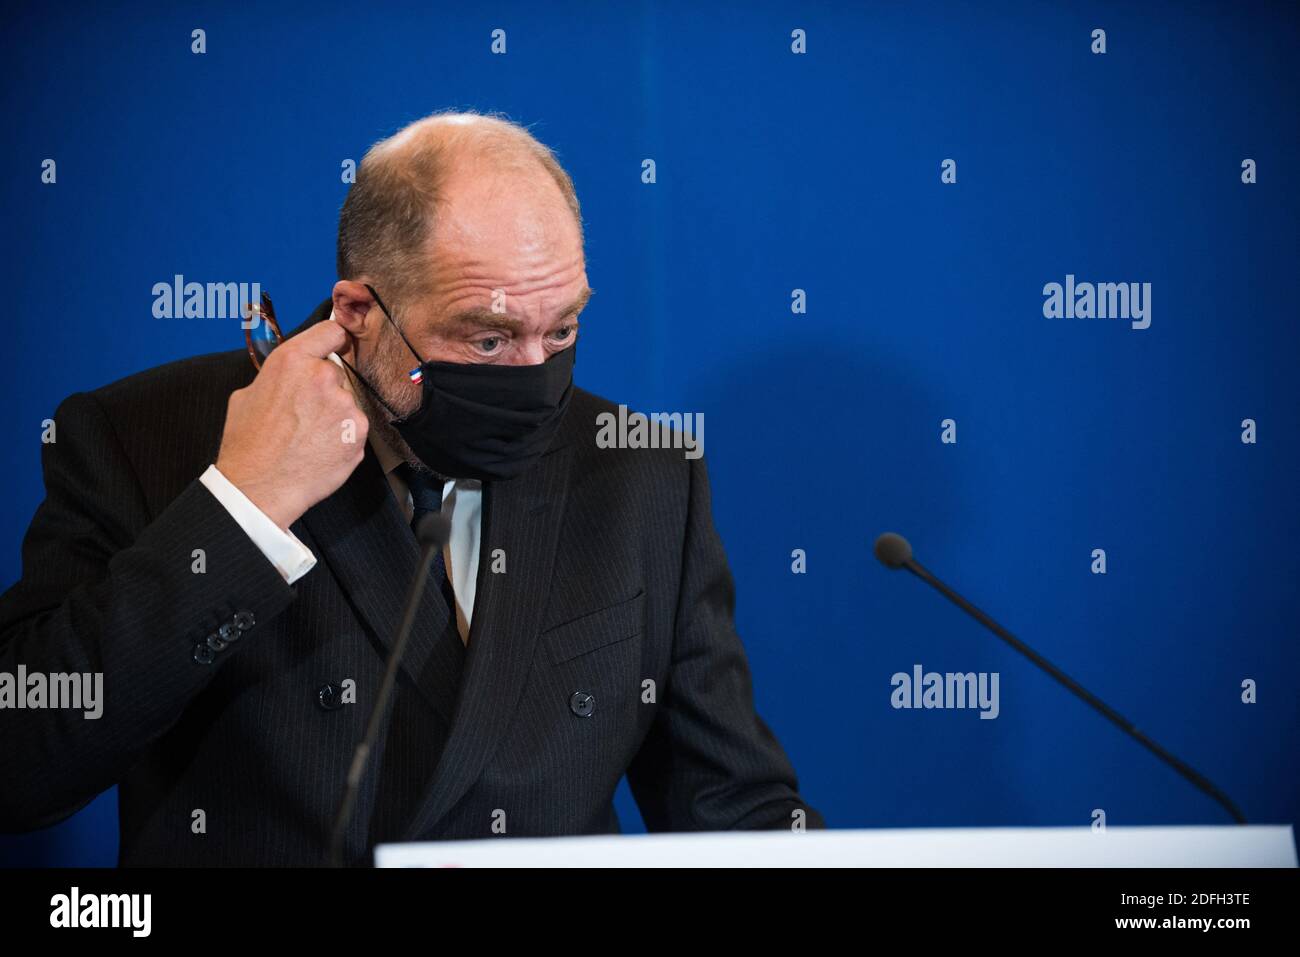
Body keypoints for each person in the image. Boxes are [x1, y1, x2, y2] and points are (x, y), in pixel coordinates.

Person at [0, 110, 823, 865]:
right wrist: (242, 507)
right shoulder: (146, 436)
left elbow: (732, 808)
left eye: (563, 328)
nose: (538, 375)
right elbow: (22, 764)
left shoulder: (639, 472)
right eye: (491, 338)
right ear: (358, 312)